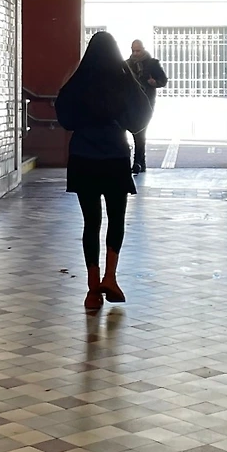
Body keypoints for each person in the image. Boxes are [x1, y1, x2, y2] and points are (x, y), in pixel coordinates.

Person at [55, 32, 152, 311]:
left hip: (83, 157)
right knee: (116, 219)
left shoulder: (79, 80)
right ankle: (110, 278)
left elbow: (64, 117)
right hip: (115, 157)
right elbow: (141, 115)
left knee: (91, 223)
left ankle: (92, 289)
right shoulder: (123, 79)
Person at [126, 39, 168, 174]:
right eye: (133, 51)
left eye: (138, 51)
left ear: (143, 49)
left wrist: (154, 82)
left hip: (146, 102)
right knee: (135, 132)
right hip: (131, 103)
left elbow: (163, 80)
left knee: (141, 131)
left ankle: (139, 162)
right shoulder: (127, 64)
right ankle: (138, 162)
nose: (135, 53)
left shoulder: (152, 64)